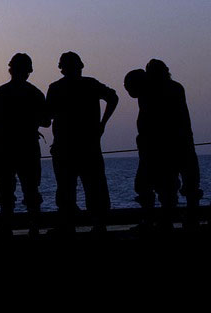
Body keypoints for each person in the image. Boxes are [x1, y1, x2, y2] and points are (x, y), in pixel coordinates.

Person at [45, 52, 118, 234]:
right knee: (93, 186)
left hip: (67, 146)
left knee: (68, 187)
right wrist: (102, 124)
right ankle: (97, 224)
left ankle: (70, 225)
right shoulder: (90, 84)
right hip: (86, 145)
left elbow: (47, 116)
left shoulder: (56, 88)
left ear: (62, 68)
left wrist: (102, 124)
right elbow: (113, 97)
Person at [0, 53, 49, 238]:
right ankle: (34, 228)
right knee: (30, 188)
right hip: (27, 147)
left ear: (11, 70)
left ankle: (6, 228)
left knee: (6, 189)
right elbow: (46, 121)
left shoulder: (0, 92)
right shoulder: (35, 93)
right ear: (28, 71)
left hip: (5, 148)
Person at [145, 59, 203, 229]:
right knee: (188, 184)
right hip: (183, 141)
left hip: (166, 145)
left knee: (168, 186)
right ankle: (190, 218)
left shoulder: (153, 91)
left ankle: (168, 219)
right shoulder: (176, 87)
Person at [124, 68, 178, 232]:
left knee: (151, 186)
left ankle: (156, 222)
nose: (128, 91)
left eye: (129, 87)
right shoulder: (149, 96)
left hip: (155, 151)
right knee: (159, 187)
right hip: (153, 150)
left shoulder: (150, 97)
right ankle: (160, 221)